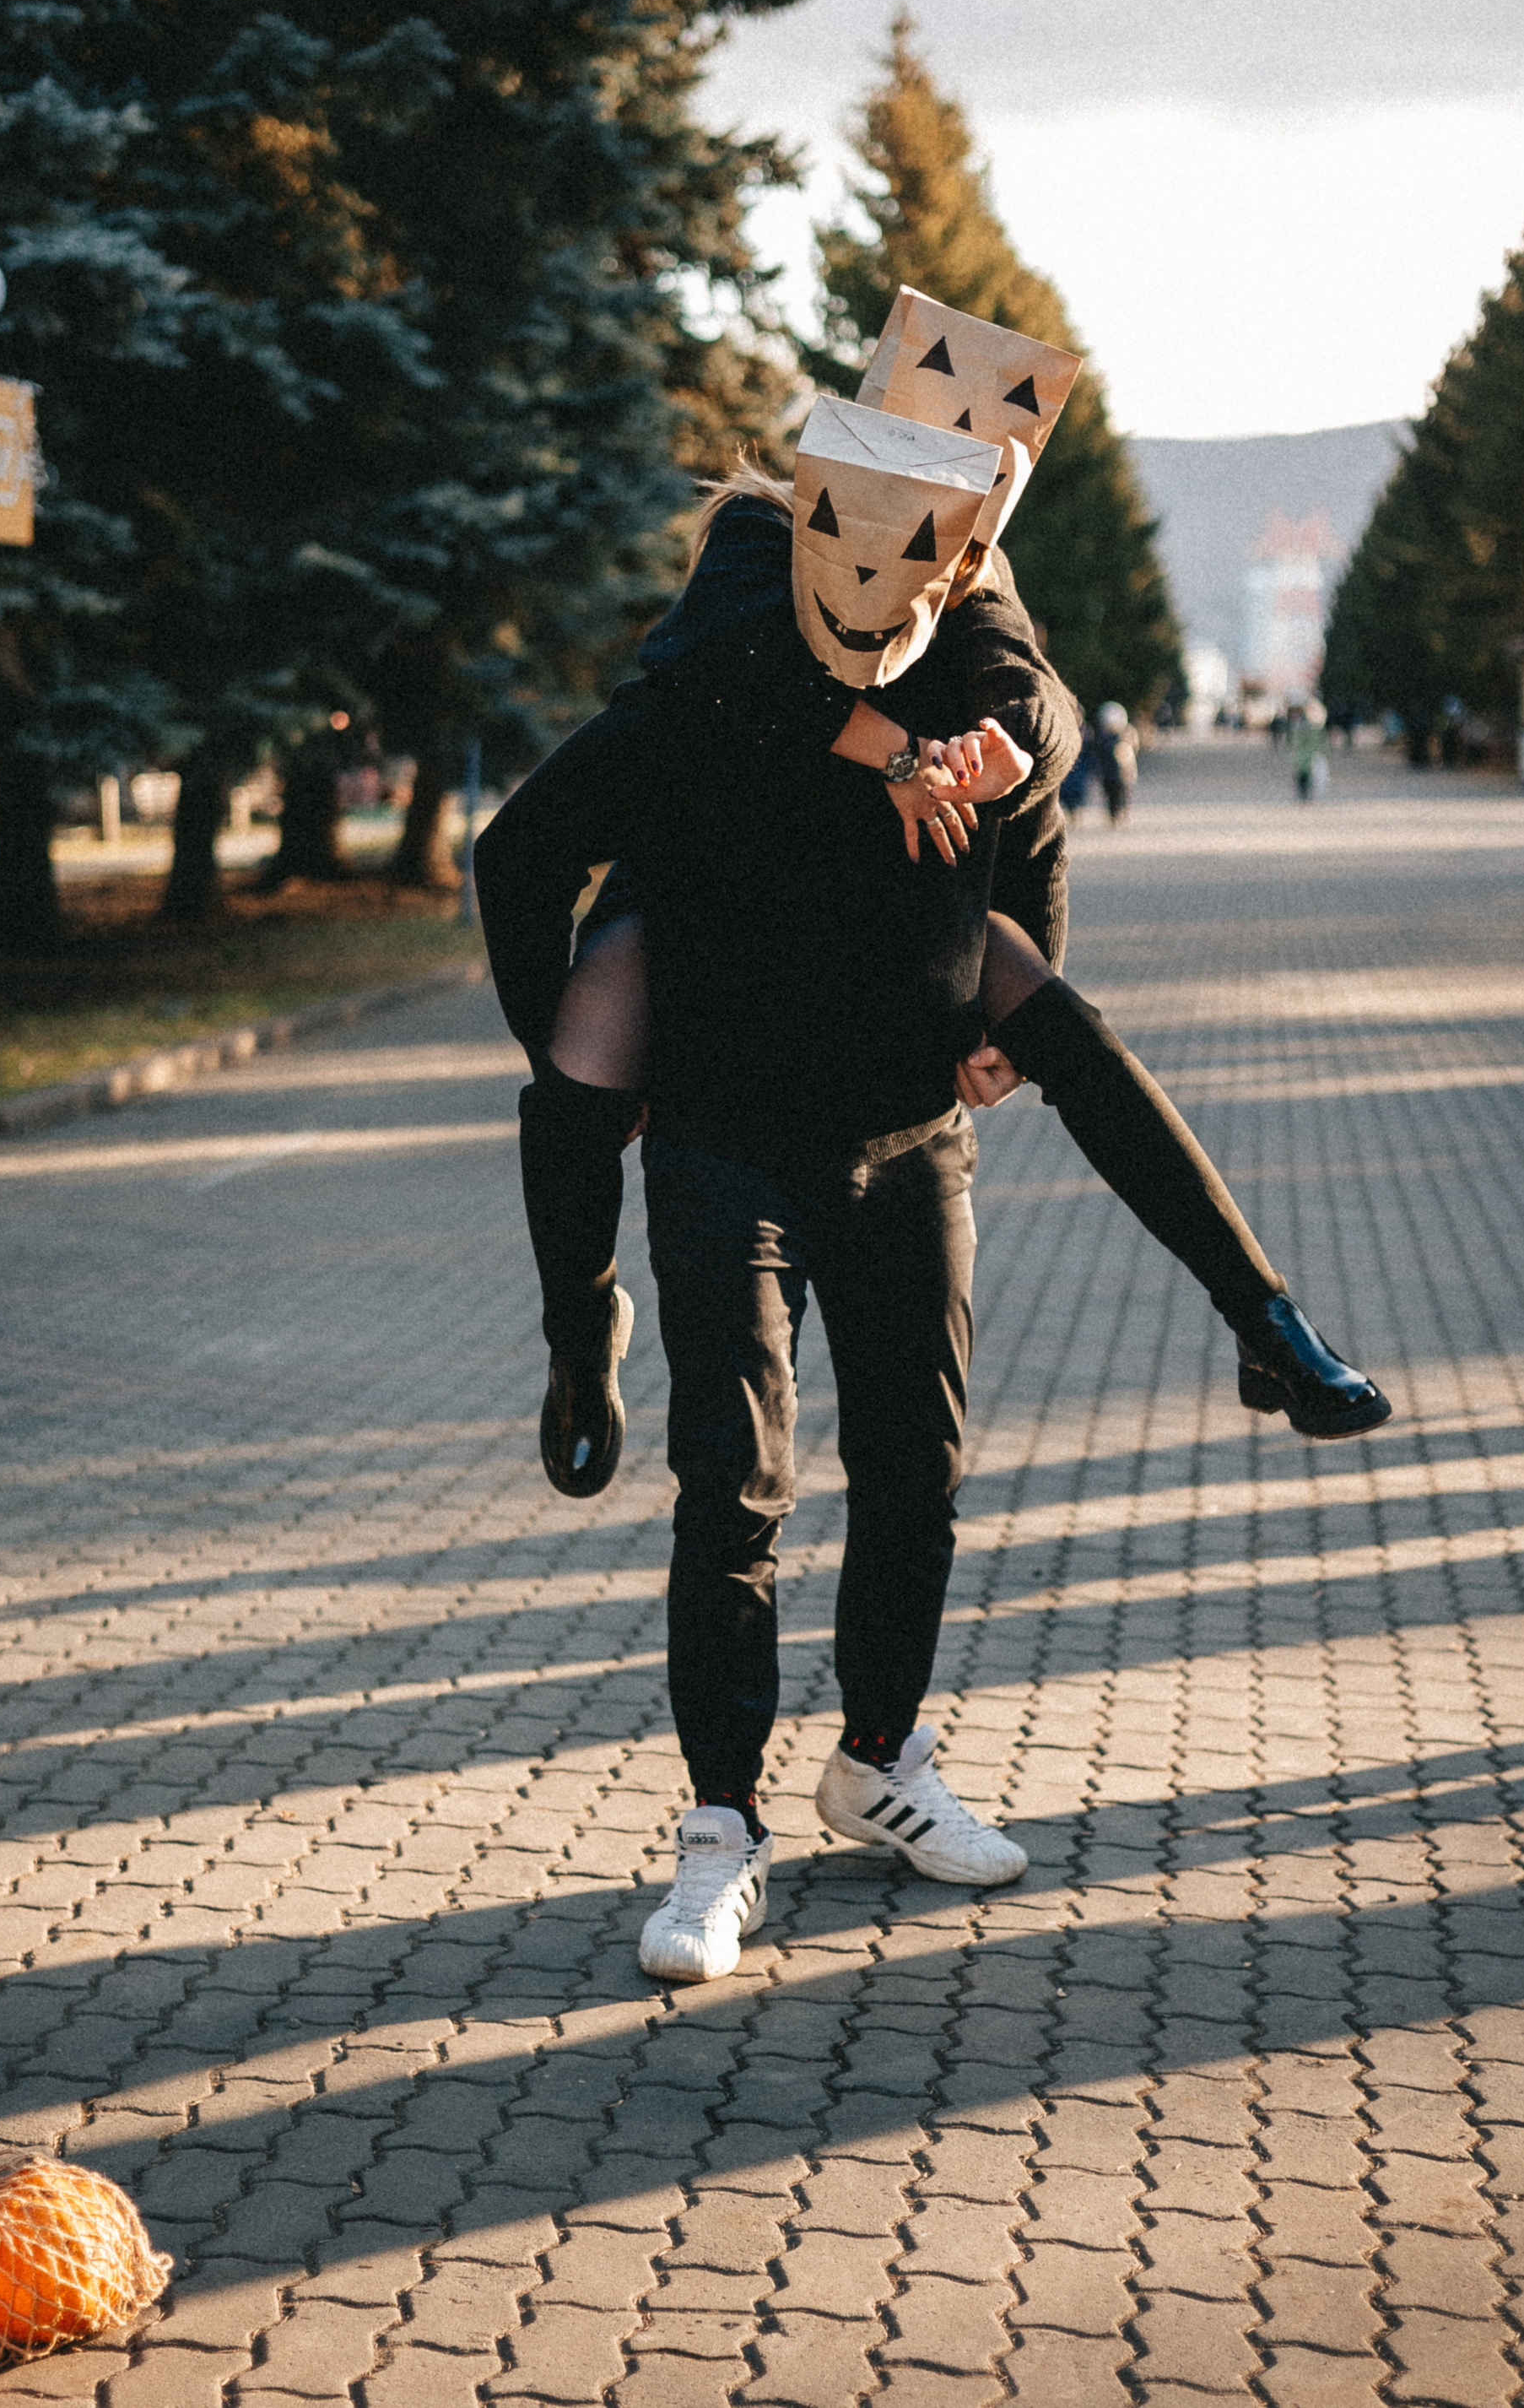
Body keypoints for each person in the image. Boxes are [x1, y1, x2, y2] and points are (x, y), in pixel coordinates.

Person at [478, 453, 1392, 1983]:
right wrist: (572, 1048)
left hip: (905, 1134)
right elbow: (521, 848)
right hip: (727, 1142)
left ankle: (882, 1756)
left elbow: (1036, 734)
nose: (874, 593)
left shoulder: (962, 619)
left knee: (917, 1470)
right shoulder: (701, 697)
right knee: (736, 1484)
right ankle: (718, 1832)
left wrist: (973, 774)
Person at [1091, 699, 1138, 823]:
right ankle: (1113, 815)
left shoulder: (1126, 733)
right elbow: (1099, 752)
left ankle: (1124, 813)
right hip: (1108, 771)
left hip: (1123, 771)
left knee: (1124, 793)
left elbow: (1133, 748)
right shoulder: (1102, 736)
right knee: (1110, 794)